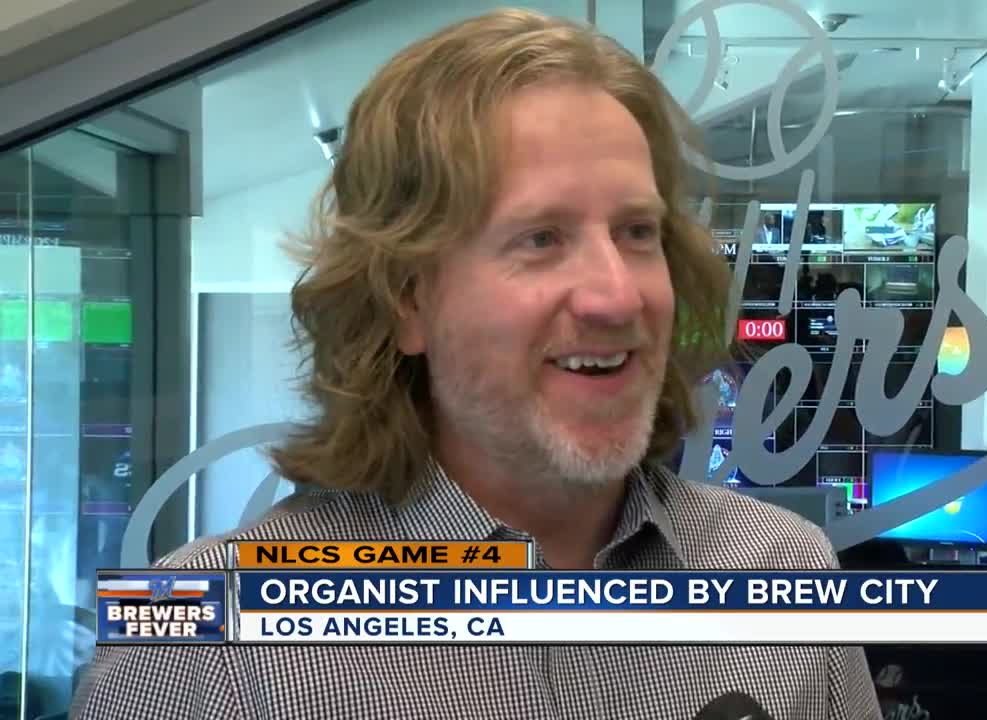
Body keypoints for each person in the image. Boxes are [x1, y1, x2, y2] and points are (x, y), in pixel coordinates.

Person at [71, 9, 878, 720]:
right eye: (540, 238)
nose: (615, 295)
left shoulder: (785, 575)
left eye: (638, 233)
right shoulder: (200, 651)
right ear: (406, 301)